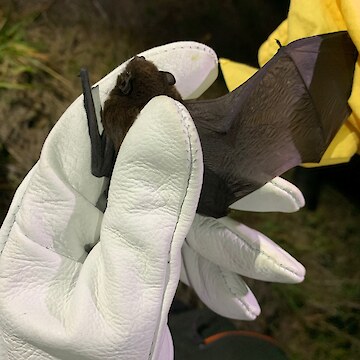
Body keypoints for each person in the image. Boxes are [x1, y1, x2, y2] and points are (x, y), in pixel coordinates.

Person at [0, 42, 305, 359]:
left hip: (127, 171)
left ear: (126, 85)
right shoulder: (174, 113)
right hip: (142, 178)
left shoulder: (124, 111)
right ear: (170, 83)